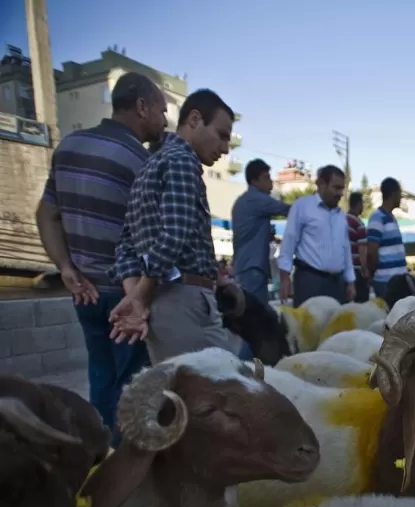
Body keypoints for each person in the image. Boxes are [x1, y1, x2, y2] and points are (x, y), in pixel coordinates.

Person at [36, 72, 165, 436]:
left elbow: (46, 214)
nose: (164, 120)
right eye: (161, 110)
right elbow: (157, 237)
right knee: (132, 386)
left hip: (84, 291)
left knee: (101, 377)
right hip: (126, 294)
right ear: (142, 106)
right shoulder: (142, 160)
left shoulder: (69, 146)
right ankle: (126, 458)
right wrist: (143, 296)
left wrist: (65, 268)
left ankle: (101, 450)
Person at [108, 88, 241, 364]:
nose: (225, 148)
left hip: (163, 304)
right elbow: (174, 235)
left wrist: (136, 296)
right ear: (194, 120)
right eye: (222, 135)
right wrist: (139, 298)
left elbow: (126, 246)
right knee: (222, 384)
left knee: (180, 384)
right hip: (184, 301)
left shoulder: (149, 166)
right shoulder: (182, 161)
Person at [276, 165, 355, 307]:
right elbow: (289, 243)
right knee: (308, 322)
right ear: (322, 184)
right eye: (336, 188)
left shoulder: (341, 215)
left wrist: (350, 281)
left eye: (342, 189)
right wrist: (284, 278)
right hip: (310, 282)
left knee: (337, 321)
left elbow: (345, 249)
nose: (340, 193)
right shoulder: (302, 207)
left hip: (337, 284)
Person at [231, 159, 291, 304]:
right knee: (256, 311)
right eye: (266, 178)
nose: (271, 182)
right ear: (254, 180)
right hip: (253, 267)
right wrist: (311, 206)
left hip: (245, 266)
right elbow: (288, 210)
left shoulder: (243, 200)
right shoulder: (257, 199)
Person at [366, 177, 407, 299]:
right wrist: (373, 274)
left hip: (399, 281)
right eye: (400, 194)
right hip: (386, 282)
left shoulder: (391, 217)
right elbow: (372, 250)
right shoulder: (377, 217)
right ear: (393, 194)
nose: (401, 198)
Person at [346, 191, 370, 302]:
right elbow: (362, 250)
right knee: (361, 303)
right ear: (359, 204)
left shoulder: (342, 220)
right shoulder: (358, 224)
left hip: (344, 270)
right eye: (362, 204)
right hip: (356, 270)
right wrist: (365, 269)